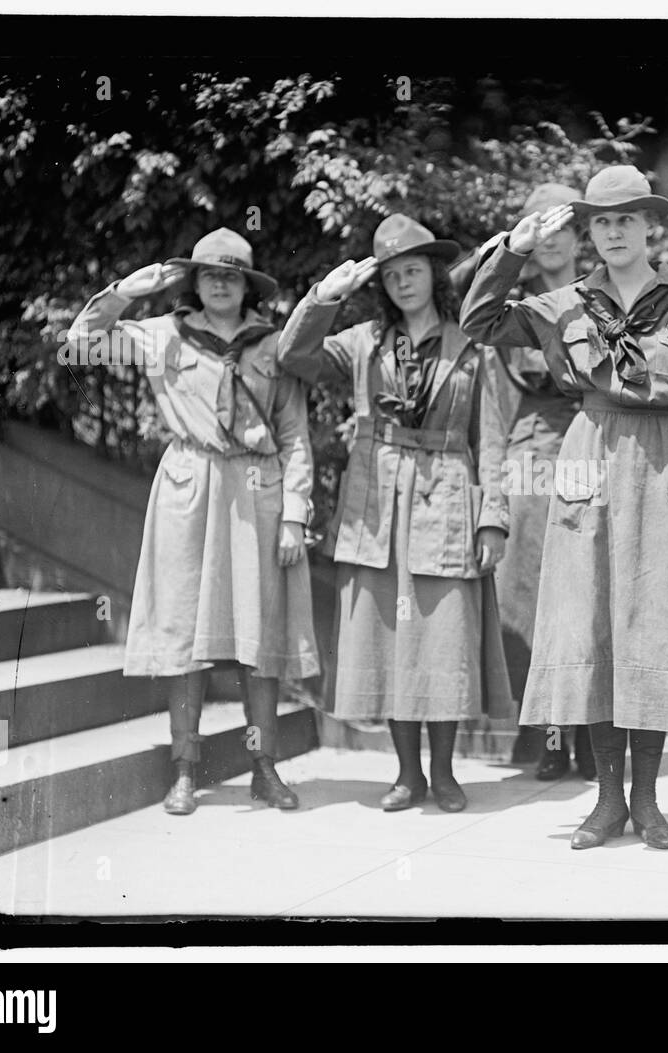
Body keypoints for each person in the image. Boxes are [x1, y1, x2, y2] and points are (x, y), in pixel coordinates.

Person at [461, 165, 668, 851]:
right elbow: (481, 321)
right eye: (601, 221)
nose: (613, 231)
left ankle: (647, 800)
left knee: (653, 631)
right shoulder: (564, 304)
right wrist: (514, 249)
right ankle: (606, 802)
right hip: (588, 461)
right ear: (590, 232)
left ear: (649, 226)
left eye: (625, 219)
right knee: (592, 632)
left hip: (663, 463)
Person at [67, 227, 319, 815]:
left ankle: (264, 765)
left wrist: (295, 515)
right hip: (189, 486)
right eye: (210, 274)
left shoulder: (273, 345)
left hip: (258, 490)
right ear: (195, 282)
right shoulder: (162, 336)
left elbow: (295, 436)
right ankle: (185, 767)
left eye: (231, 275)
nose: (220, 283)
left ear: (247, 284)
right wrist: (125, 292)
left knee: (260, 637)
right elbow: (82, 342)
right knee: (185, 633)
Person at [276, 213, 512, 814]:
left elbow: (492, 439)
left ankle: (445, 772)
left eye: (414, 270)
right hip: (376, 503)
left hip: (448, 495)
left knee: (443, 639)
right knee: (390, 639)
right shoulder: (361, 343)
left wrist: (492, 517)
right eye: (392, 274)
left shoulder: (471, 346)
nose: (404, 282)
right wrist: (323, 299)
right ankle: (408, 775)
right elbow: (293, 356)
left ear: (435, 274)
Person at [454, 184, 596, 781]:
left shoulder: (602, 297)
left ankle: (594, 734)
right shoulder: (510, 314)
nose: (552, 236)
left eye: (565, 225)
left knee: (591, 600)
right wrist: (494, 509)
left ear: (581, 236)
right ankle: (550, 736)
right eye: (541, 225)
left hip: (594, 444)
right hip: (532, 461)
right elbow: (492, 416)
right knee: (532, 600)